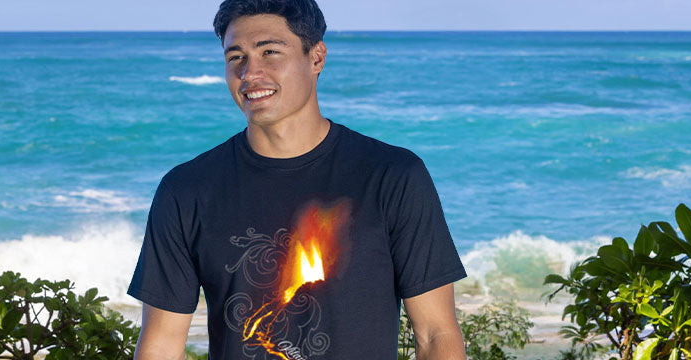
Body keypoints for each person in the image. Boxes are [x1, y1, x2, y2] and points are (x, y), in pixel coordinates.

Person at [126, 0, 467, 359]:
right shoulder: (186, 190)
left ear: (316, 57)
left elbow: (436, 335)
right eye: (235, 57)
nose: (249, 73)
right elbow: (161, 345)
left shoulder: (393, 176)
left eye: (269, 52)